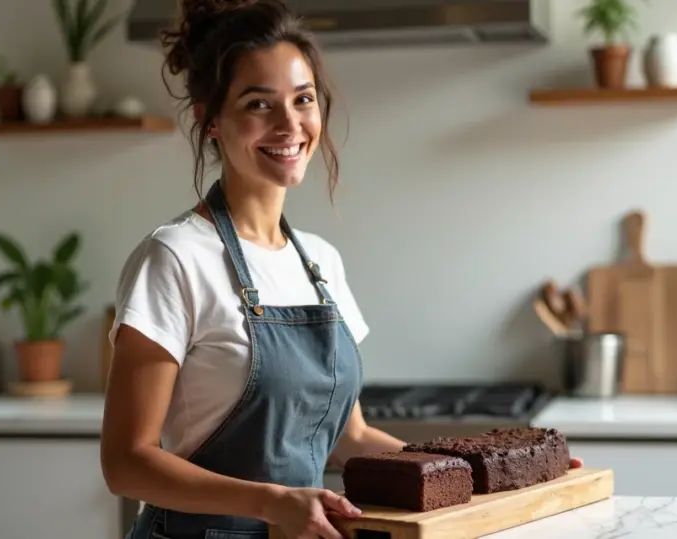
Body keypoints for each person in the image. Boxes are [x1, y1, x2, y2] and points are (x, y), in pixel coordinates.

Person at [99, 1, 582, 539]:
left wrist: (488, 474)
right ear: (209, 119)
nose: (289, 124)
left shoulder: (320, 263)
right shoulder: (174, 258)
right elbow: (126, 462)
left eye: (303, 99)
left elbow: (351, 436)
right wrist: (273, 502)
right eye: (259, 104)